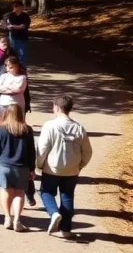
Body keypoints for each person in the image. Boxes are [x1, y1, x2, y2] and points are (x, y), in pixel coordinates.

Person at [37, 96, 93, 239]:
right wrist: (81, 165)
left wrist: (39, 164)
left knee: (46, 191)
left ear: (56, 107)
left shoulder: (49, 125)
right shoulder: (78, 127)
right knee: (67, 196)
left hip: (52, 167)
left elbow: (42, 148)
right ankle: (66, 229)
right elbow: (87, 151)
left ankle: (54, 212)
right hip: (72, 169)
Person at [0, 105, 36, 232]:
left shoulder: (1, 129)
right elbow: (31, 151)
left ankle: (7, 216)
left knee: (6, 190)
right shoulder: (27, 130)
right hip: (22, 166)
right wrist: (32, 168)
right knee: (19, 192)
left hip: (4, 165)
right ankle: (17, 220)